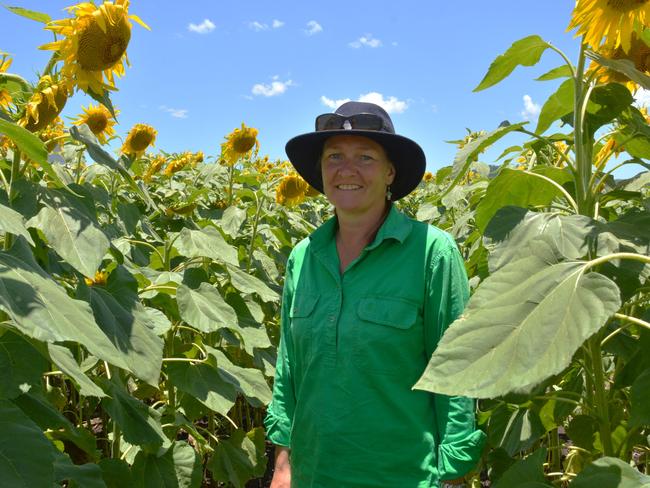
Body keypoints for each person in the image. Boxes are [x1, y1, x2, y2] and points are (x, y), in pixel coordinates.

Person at [264, 101, 485, 488]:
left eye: (364, 157)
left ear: (390, 173)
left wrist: (453, 473)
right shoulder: (304, 257)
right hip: (314, 473)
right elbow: (289, 369)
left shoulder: (432, 253)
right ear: (320, 170)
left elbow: (457, 371)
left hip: (402, 474)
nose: (346, 170)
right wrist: (283, 462)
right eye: (334, 156)